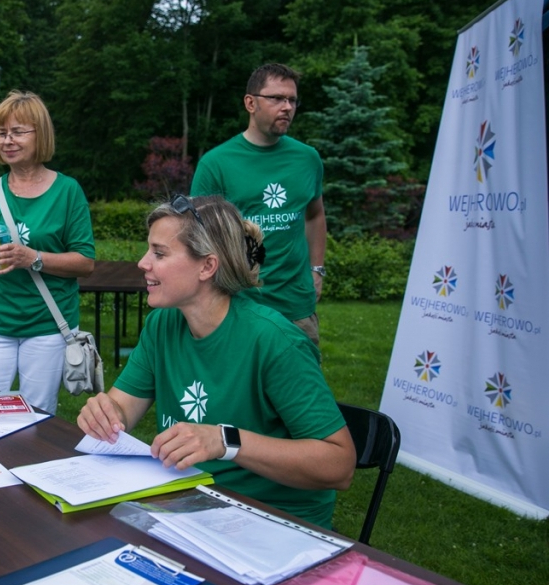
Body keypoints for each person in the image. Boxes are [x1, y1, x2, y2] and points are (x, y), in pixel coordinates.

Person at [77, 195, 354, 528]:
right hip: (190, 504)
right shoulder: (163, 324)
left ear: (207, 266)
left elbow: (339, 465)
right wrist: (106, 414)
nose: (142, 263)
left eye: (159, 253)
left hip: (272, 521)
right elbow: (122, 408)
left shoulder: (273, 341)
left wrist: (226, 441)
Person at [0, 90, 95, 414]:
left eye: (17, 132)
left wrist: (31, 257)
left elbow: (85, 262)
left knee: (37, 417)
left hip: (47, 326)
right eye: (1, 133)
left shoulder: (67, 191)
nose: (7, 140)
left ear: (40, 134)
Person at [191, 63, 327, 346]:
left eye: (292, 100)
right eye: (277, 98)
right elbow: (197, 235)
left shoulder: (307, 159)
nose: (287, 107)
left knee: (300, 388)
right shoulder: (217, 164)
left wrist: (317, 270)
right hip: (239, 303)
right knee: (241, 389)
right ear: (250, 103)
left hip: (296, 307)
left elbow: (314, 216)